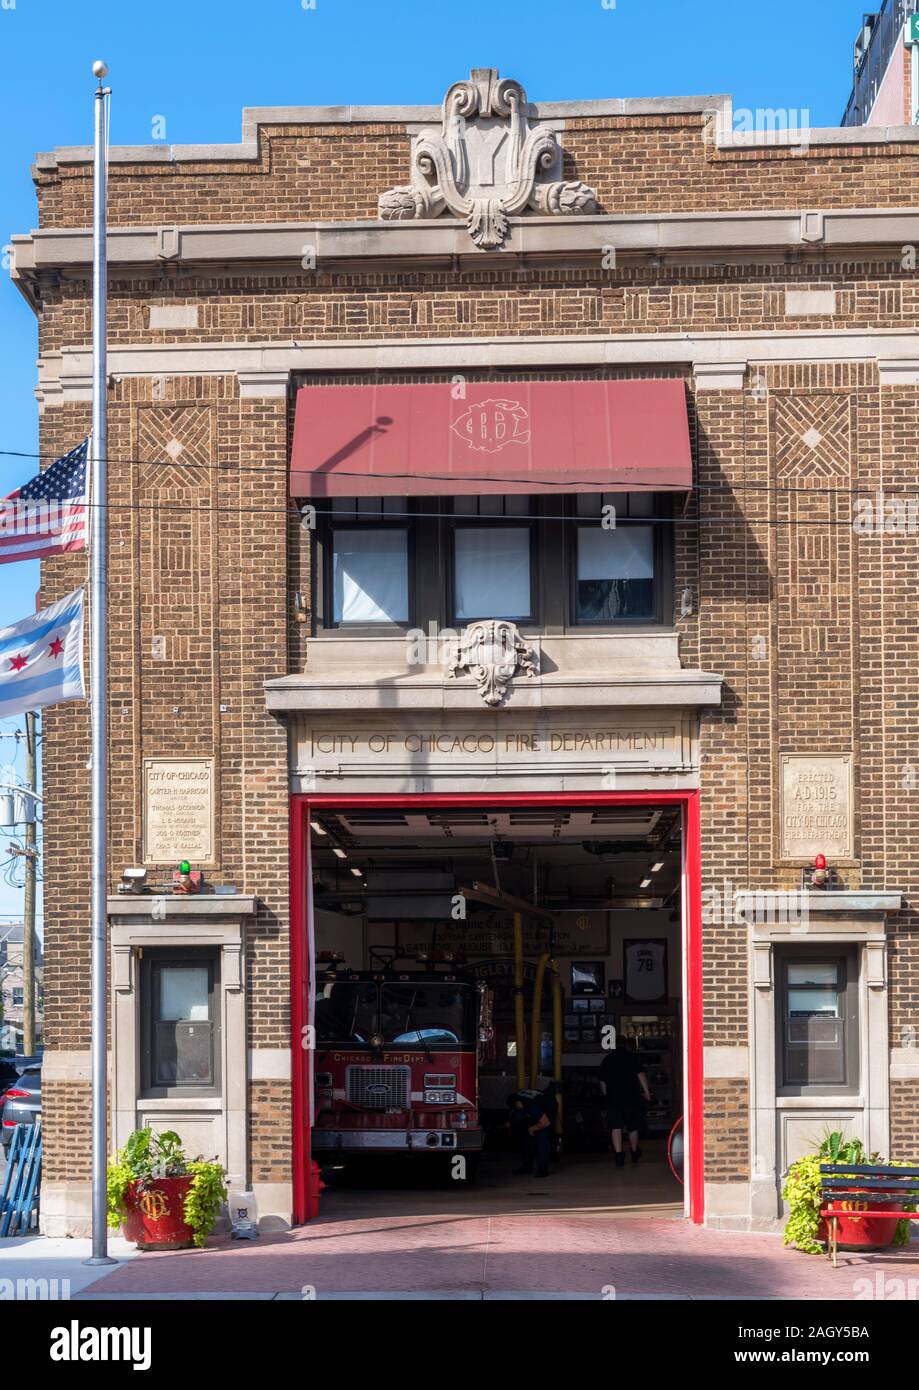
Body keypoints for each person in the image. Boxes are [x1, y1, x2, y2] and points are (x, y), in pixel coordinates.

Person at [599, 1037, 651, 1167]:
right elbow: (641, 1075)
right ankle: (634, 1152)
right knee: (632, 1127)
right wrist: (647, 1092)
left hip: (613, 1098)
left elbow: (602, 1081)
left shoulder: (607, 1059)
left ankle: (618, 1157)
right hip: (631, 1097)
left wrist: (606, 1093)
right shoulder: (632, 1058)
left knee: (615, 1127)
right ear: (627, 1045)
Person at [507, 1087, 555, 1178]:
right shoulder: (517, 1098)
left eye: (517, 1107)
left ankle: (542, 1170)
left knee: (542, 1137)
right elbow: (513, 1112)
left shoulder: (530, 1105)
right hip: (537, 1106)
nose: (518, 1108)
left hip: (549, 1108)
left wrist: (532, 1128)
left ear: (518, 1102)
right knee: (526, 1136)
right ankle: (527, 1167)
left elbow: (545, 1123)